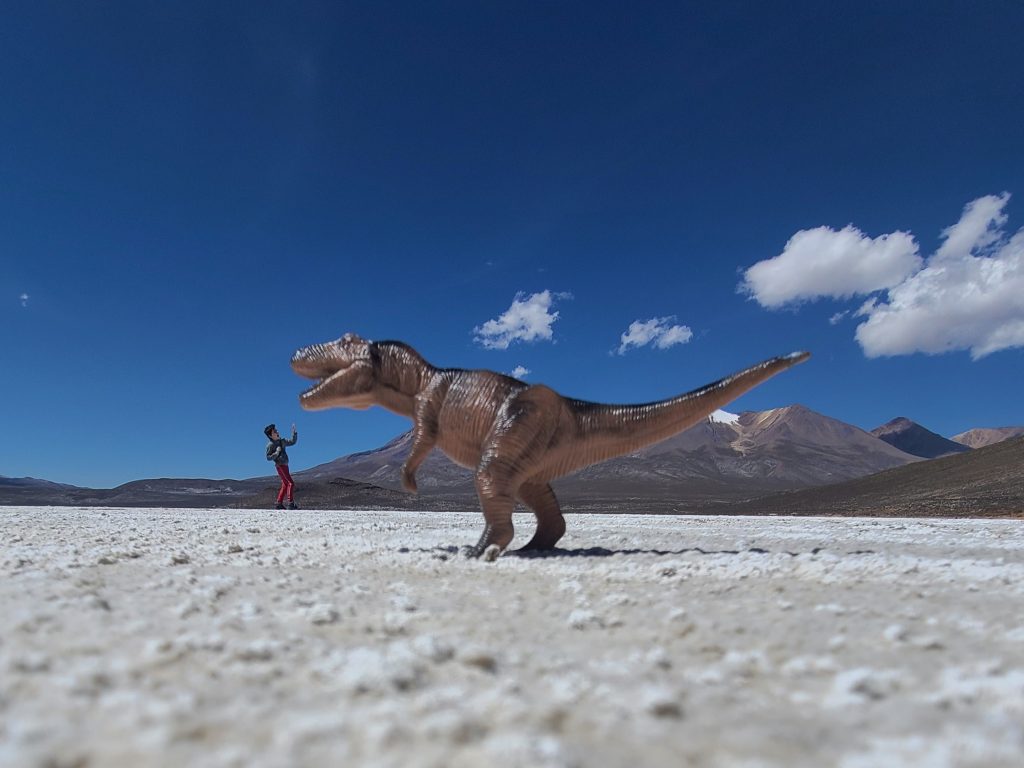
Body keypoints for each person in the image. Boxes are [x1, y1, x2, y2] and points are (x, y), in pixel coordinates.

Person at [265, 423, 298, 509]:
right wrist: (276, 453)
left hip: (285, 464)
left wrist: (294, 434)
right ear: (270, 435)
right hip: (280, 465)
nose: (277, 432)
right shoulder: (270, 445)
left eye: (276, 430)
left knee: (285, 483)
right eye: (275, 431)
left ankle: (279, 503)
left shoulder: (282, 441)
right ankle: (290, 503)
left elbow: (292, 442)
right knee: (290, 483)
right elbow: (268, 457)